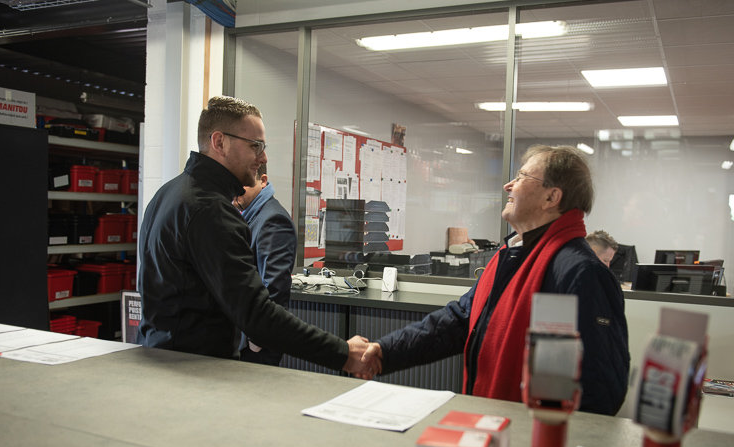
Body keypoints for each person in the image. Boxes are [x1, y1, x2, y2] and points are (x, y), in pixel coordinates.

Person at [360, 145, 629, 415]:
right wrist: (386, 350)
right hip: (492, 425)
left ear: (551, 197)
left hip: (530, 440)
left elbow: (600, 389)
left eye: (522, 177)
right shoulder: (513, 254)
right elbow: (460, 320)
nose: (508, 185)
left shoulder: (581, 273)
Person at [137, 95, 377, 376]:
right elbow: (257, 314)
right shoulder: (210, 211)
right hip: (194, 373)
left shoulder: (170, 193)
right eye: (256, 146)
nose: (263, 158)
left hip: (159, 357)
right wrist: (342, 353)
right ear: (219, 142)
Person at [233, 163, 296, 366]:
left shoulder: (273, 220)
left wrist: (256, 342)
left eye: (242, 186)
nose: (235, 193)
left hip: (256, 344)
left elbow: (274, 289)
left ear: (263, 180)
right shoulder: (249, 215)